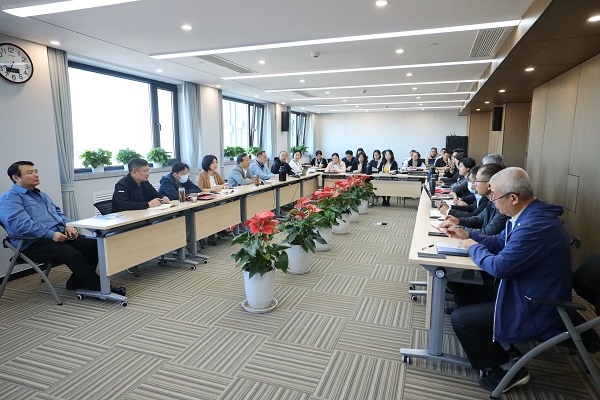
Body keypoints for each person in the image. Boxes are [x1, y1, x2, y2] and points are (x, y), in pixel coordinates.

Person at [448, 167, 572, 393]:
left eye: (494, 196)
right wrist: (469, 235)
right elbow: (499, 241)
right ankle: (499, 343)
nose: (492, 202)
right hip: (521, 291)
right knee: (464, 283)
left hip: (536, 305)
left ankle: (508, 370)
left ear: (513, 198)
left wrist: (473, 247)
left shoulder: (536, 226)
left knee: (461, 319)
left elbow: (499, 267)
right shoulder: (527, 216)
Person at [0, 161, 125, 295]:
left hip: (56, 235)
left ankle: (77, 281)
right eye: (30, 173)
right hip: (31, 242)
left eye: (36, 171)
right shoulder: (9, 199)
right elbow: (22, 226)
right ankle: (99, 287)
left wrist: (68, 224)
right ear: (16, 178)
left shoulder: (41, 195)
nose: (36, 175)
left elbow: (58, 214)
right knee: (70, 253)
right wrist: (51, 234)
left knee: (93, 244)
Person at [440, 163, 508, 236]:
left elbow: (487, 233)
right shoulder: (491, 201)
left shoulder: (503, 207)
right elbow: (479, 219)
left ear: (489, 185)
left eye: (477, 180)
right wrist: (458, 221)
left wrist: (458, 229)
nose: (474, 184)